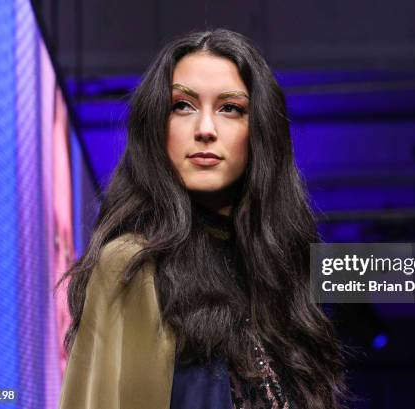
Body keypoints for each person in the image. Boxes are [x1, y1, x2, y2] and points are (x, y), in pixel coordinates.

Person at [58, 29, 347, 409]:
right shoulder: (134, 267)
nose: (205, 130)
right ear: (156, 127)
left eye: (230, 108)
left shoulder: (278, 281)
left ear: (258, 129)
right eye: (182, 106)